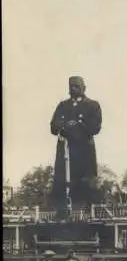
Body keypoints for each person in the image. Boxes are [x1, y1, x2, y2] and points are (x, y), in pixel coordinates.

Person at [51, 76, 102, 210]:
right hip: (66, 149)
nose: (73, 89)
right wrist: (64, 126)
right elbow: (53, 126)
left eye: (76, 86)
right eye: (71, 86)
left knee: (86, 180)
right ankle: (62, 211)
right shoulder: (62, 106)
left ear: (84, 88)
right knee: (62, 180)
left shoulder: (93, 105)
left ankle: (87, 209)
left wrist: (78, 125)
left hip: (84, 150)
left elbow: (95, 127)